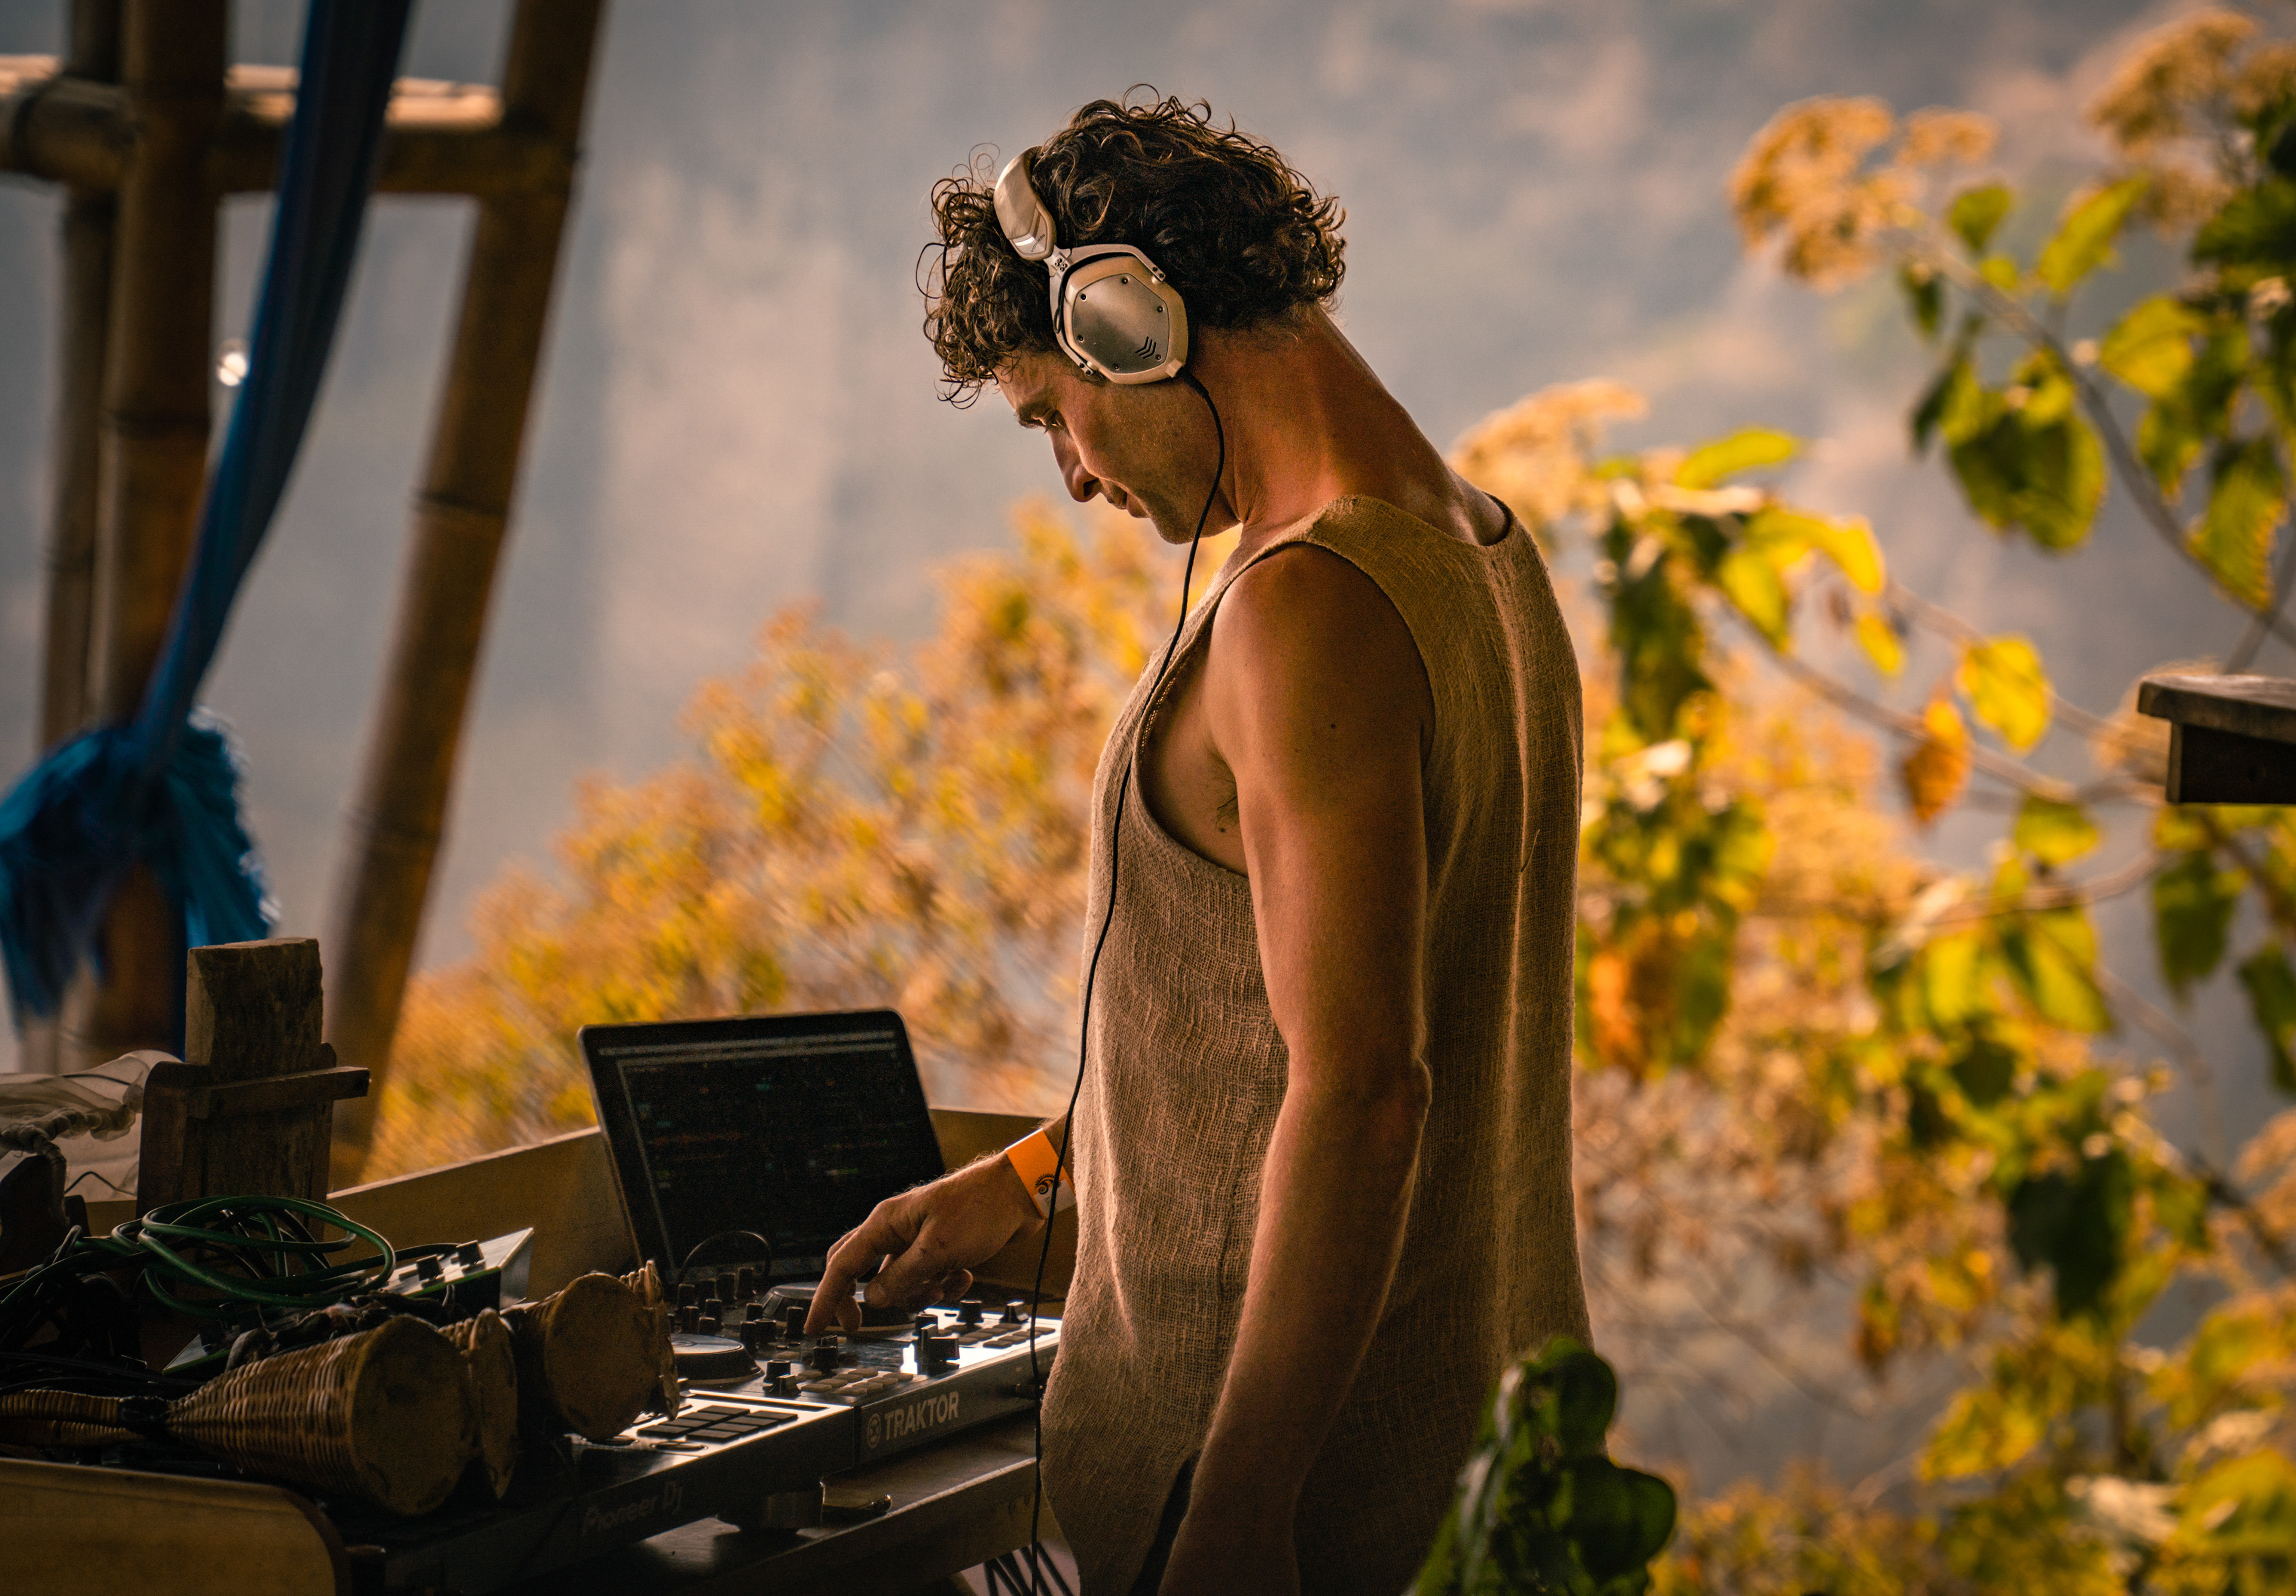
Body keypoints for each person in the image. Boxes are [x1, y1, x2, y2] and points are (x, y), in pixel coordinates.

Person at [806, 95, 1589, 1594]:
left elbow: (1364, 1092)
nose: (1077, 475)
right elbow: (1263, 1043)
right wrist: (1039, 1177)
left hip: (1297, 1513)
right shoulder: (1487, 547)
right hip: (1481, 1472)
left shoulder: (1308, 609)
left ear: (1128, 326)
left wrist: (1237, 1515)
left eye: (1052, 415)